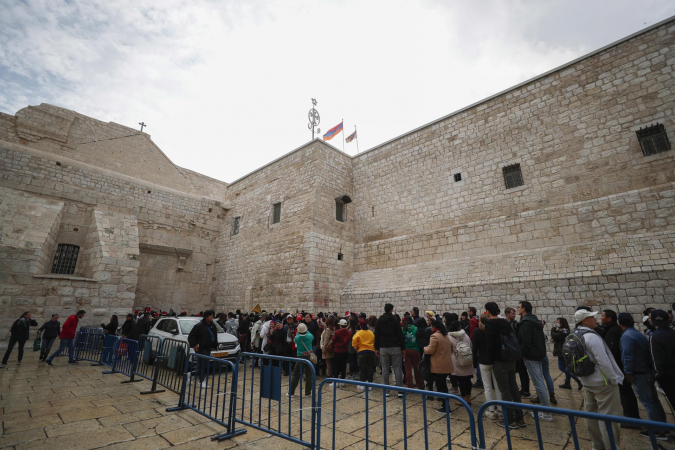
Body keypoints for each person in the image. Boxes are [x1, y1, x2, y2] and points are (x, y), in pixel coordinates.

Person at [573, 309, 624, 450]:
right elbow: (604, 361)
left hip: (587, 382)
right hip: (603, 383)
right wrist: (614, 380)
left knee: (590, 417)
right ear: (584, 321)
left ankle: (597, 446)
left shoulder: (574, 335)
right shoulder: (591, 337)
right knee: (609, 419)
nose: (595, 319)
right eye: (591, 317)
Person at [618, 312, 668, 440]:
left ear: (620, 322)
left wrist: (628, 373)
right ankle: (663, 426)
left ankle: (657, 431)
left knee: (648, 402)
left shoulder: (627, 336)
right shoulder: (636, 333)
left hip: (639, 374)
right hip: (646, 372)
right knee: (653, 401)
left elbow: (628, 356)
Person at [484, 302, 526, 429]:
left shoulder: (490, 324)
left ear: (487, 311)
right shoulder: (505, 323)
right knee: (513, 388)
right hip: (511, 359)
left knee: (504, 390)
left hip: (499, 361)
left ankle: (510, 420)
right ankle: (520, 418)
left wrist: (490, 361)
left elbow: (489, 346)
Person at [600, 309, 641, 424]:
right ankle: (630, 416)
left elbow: (613, 352)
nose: (600, 318)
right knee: (624, 392)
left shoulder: (613, 331)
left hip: (619, 368)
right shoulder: (611, 330)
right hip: (619, 367)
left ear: (609, 318)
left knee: (625, 392)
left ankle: (631, 418)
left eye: (602, 316)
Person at [516, 301, 555, 420]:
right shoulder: (536, 321)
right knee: (541, 382)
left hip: (532, 356)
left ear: (523, 309)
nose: (518, 309)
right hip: (541, 354)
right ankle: (545, 408)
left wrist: (522, 355)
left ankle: (546, 413)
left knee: (538, 383)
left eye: (519, 307)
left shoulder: (525, 323)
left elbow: (526, 342)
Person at [473, 314, 503, 419]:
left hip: (483, 361)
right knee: (498, 387)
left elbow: (474, 348)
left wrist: (474, 363)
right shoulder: (494, 330)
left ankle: (491, 410)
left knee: (487, 387)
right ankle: (500, 410)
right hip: (494, 360)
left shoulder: (477, 332)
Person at [374, 303, 406, 398]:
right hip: (395, 346)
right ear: (391, 310)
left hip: (383, 347)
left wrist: (376, 348)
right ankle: (400, 391)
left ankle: (386, 391)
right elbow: (400, 335)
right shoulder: (395, 320)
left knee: (385, 369)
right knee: (397, 368)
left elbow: (377, 335)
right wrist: (403, 348)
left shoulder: (379, 320)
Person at [424, 319, 454, 414]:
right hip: (447, 364)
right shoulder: (446, 336)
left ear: (434, 327)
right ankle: (444, 404)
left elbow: (430, 350)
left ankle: (446, 407)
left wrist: (425, 348)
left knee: (441, 386)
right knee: (442, 385)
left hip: (439, 366)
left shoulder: (434, 336)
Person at [648, 309, 675, 413]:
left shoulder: (654, 336)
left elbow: (656, 360)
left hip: (668, 377)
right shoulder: (673, 332)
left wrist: (656, 376)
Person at [187, 310, 218, 387]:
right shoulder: (199, 326)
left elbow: (214, 336)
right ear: (206, 317)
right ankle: (201, 381)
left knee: (205, 365)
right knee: (202, 364)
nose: (212, 317)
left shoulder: (212, 325)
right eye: (210, 316)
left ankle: (191, 374)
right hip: (201, 347)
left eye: (212, 316)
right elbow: (191, 336)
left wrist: (215, 345)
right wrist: (194, 344)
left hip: (208, 347)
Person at [505, 306, 531, 399]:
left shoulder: (516, 324)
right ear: (507, 314)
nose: (514, 315)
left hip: (517, 350)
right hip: (511, 350)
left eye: (514, 313)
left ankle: (525, 390)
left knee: (522, 371)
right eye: (512, 313)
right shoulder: (506, 323)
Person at [447, 321, 475, 405]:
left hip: (457, 361)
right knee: (468, 379)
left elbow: (449, 350)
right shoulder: (466, 336)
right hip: (468, 359)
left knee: (461, 380)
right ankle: (468, 398)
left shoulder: (450, 338)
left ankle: (463, 399)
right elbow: (470, 345)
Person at [551, 317, 582, 390]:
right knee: (566, 368)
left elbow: (554, 335)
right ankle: (567, 383)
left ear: (562, 323)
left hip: (563, 351)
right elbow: (557, 337)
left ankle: (576, 378)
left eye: (558, 322)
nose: (557, 323)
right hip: (563, 350)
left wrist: (553, 329)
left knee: (561, 367)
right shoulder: (562, 330)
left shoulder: (564, 330)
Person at [288, 323, 314, 397]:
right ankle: (307, 393)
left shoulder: (297, 337)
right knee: (309, 375)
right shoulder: (310, 336)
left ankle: (291, 392)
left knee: (296, 374)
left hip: (300, 357)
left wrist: (298, 332)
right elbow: (310, 335)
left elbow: (295, 341)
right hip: (309, 356)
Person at [401, 316, 424, 389]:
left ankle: (410, 385)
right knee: (417, 368)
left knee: (408, 369)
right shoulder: (415, 329)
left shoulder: (403, 329)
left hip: (406, 350)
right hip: (415, 349)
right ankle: (420, 385)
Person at [352, 319, 376, 389]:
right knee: (370, 367)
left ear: (360, 326)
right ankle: (370, 383)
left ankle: (362, 383)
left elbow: (354, 340)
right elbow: (373, 341)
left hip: (362, 351)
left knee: (362, 367)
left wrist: (355, 346)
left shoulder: (359, 333)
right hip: (371, 351)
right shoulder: (371, 332)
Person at [331, 319, 351, 386]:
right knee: (343, 366)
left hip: (337, 351)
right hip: (345, 350)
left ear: (340, 325)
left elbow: (333, 340)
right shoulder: (348, 332)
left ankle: (335, 381)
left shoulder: (337, 332)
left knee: (336, 366)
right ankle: (342, 380)